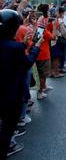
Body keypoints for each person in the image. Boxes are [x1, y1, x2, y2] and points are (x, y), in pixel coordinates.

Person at [0, 9, 42, 158]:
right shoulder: (15, 48)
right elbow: (27, 63)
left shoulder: (13, 46)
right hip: (11, 95)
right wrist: (36, 47)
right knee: (7, 128)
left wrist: (24, 45)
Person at [36, 4, 57, 100]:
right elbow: (53, 37)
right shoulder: (41, 29)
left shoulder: (40, 26)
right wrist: (55, 27)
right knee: (42, 74)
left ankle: (44, 86)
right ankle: (40, 91)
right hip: (42, 53)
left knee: (43, 73)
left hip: (42, 52)